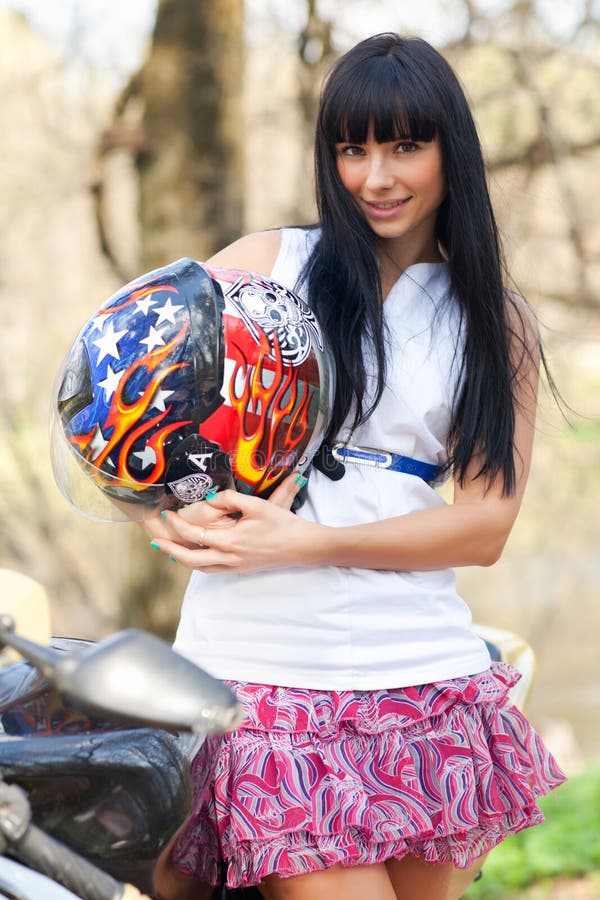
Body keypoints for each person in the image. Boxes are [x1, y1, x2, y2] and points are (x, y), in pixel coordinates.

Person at [148, 33, 566, 900]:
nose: (375, 177)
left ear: (453, 149)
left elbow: (486, 524)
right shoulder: (271, 264)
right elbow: (124, 392)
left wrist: (298, 543)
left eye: (405, 145)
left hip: (420, 672)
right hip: (260, 669)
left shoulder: (496, 321)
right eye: (352, 148)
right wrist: (158, 516)